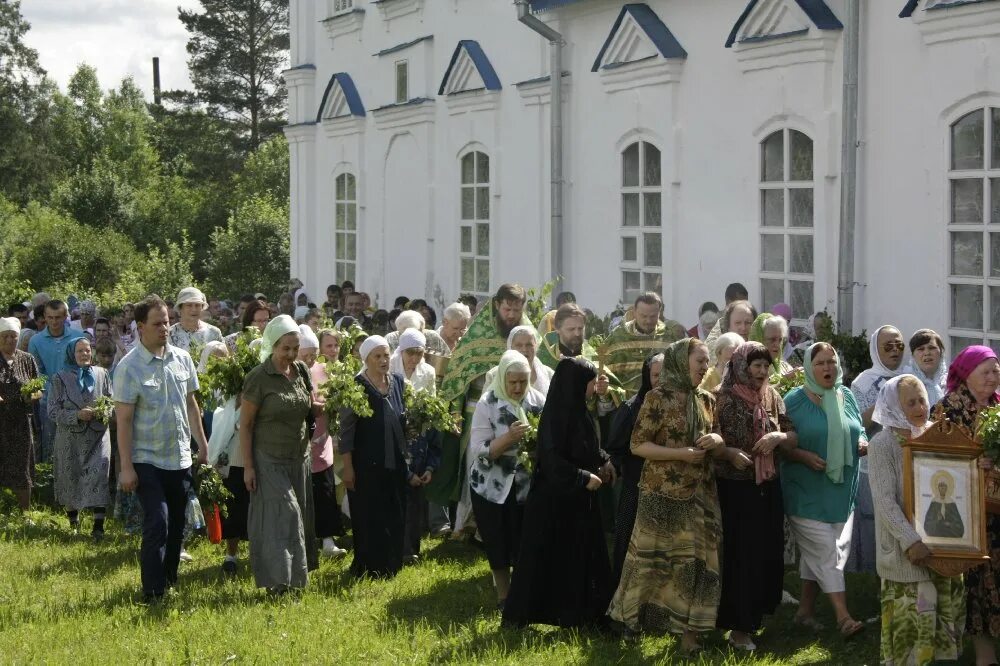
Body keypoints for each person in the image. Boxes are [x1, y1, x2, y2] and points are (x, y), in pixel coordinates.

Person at [607, 339, 724, 652]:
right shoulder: (657, 397)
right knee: (648, 564)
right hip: (661, 494)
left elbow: (715, 440)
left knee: (697, 566)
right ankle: (630, 622)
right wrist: (682, 454)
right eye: (699, 360)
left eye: (707, 361)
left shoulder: (707, 399)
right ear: (680, 361)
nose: (705, 367)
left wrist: (716, 439)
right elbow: (637, 445)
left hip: (700, 495)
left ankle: (690, 638)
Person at [503, 358, 616, 629]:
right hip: (553, 503)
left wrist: (603, 460)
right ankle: (518, 618)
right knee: (541, 561)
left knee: (578, 558)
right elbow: (552, 460)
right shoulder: (556, 416)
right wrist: (580, 477)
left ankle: (580, 616)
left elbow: (585, 446)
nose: (592, 389)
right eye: (589, 384)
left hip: (578, 502)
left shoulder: (580, 411)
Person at [114, 295, 208, 603]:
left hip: (179, 456)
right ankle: (152, 591)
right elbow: (124, 420)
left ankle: (168, 580)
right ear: (141, 327)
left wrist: (202, 444)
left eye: (167, 321)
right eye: (157, 324)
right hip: (146, 459)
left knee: (178, 524)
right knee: (158, 521)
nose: (165, 328)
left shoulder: (181, 358)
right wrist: (126, 467)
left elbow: (192, 405)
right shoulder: (129, 367)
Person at [869, 374, 965, 666]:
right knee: (910, 640)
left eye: (922, 399)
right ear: (894, 406)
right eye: (910, 402)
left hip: (944, 551)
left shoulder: (937, 436)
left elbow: (959, 483)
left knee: (943, 642)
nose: (919, 406)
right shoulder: (882, 445)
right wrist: (910, 540)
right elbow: (885, 501)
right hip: (906, 556)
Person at [712, 342, 799, 651]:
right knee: (742, 557)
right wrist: (730, 453)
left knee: (766, 554)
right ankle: (738, 628)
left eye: (765, 366)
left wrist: (778, 437)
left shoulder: (773, 397)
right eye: (756, 365)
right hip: (736, 488)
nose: (762, 372)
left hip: (767, 485)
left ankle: (755, 618)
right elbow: (711, 440)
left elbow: (791, 435)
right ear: (741, 366)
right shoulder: (724, 399)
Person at [427, 284, 530, 534]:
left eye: (517, 310)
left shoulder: (524, 334)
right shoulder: (476, 336)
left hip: (518, 413)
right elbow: (457, 378)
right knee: (479, 464)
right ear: (497, 305)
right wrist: (455, 412)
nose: (512, 315)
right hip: (477, 413)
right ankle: (470, 523)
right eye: (507, 309)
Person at [781, 342, 866, 638]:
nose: (828, 368)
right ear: (808, 367)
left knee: (819, 555)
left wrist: (862, 442)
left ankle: (804, 612)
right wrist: (802, 456)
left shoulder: (846, 396)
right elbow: (778, 440)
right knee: (827, 551)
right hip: (804, 490)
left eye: (832, 362)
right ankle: (844, 618)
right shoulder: (793, 400)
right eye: (820, 363)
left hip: (841, 490)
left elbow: (859, 429)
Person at [240, 315, 319, 593]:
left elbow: (310, 406)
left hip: (298, 456)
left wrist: (330, 404)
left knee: (299, 517)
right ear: (272, 345)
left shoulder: (301, 371)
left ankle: (294, 581)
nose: (291, 354)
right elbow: (246, 425)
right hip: (268, 457)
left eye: (295, 348)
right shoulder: (258, 379)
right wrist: (248, 467)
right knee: (285, 514)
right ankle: (280, 581)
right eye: (285, 348)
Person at [932, 345, 1000, 666]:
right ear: (966, 373)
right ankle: (984, 654)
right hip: (969, 511)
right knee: (978, 580)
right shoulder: (948, 409)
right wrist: (974, 461)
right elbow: (934, 460)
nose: (993, 376)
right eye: (986, 370)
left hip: (998, 508)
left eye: (996, 370)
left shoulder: (999, 406)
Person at [469, 350, 546, 608]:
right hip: (492, 485)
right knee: (497, 539)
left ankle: (525, 593)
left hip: (526, 485)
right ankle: (504, 595)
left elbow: (549, 442)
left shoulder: (537, 401)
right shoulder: (488, 403)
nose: (517, 387)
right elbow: (479, 451)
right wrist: (508, 439)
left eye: (522, 381)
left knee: (525, 540)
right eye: (512, 382)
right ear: (502, 378)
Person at [339, 336, 408, 578]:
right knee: (369, 513)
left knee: (394, 510)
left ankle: (392, 563)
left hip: (395, 460)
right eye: (377, 356)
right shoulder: (356, 386)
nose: (383, 360)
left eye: (386, 355)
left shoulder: (398, 382)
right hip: (365, 463)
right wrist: (348, 467)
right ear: (366, 359)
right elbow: (345, 432)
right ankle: (368, 566)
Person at [848, 325, 905, 576]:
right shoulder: (863, 382)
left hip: (905, 462)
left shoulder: (909, 378)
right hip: (872, 462)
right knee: (874, 520)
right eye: (888, 346)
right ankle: (873, 576)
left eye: (899, 346)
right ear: (876, 349)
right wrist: (883, 400)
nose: (895, 351)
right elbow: (856, 422)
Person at [606, 352, 662, 585]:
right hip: (635, 487)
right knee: (629, 541)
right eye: (657, 375)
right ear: (647, 376)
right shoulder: (631, 408)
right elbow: (616, 448)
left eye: (667, 374)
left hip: (667, 490)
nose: (662, 380)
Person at [50, 338, 113, 539]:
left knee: (99, 476)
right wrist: (76, 415)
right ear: (71, 354)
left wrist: (102, 411)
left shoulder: (102, 374)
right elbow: (52, 411)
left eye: (87, 350)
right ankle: (74, 524)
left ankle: (98, 526)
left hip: (98, 435)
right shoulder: (60, 378)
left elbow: (112, 402)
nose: (84, 354)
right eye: (79, 351)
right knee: (71, 476)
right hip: (70, 438)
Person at [298, 325, 347, 559]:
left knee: (325, 492)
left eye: (311, 355)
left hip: (321, 442)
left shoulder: (322, 369)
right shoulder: (290, 372)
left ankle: (328, 541)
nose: (309, 360)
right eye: (304, 355)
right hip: (296, 446)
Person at [29, 299, 85, 462]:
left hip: (75, 400)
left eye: (58, 317)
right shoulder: (36, 341)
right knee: (50, 443)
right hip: (48, 400)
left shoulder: (78, 337)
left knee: (76, 445)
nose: (54, 321)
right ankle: (49, 483)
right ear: (44, 317)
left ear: (66, 316)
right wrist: (53, 389)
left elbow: (84, 366)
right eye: (50, 317)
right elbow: (37, 371)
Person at [603, 292, 686, 398]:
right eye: (643, 316)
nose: (648, 321)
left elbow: (680, 374)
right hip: (625, 405)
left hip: (662, 404)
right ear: (634, 313)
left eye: (653, 316)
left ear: (659, 313)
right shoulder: (617, 337)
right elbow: (604, 373)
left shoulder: (669, 337)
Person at [0, 317, 40, 510]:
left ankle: (25, 511)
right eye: (5, 336)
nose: (9, 340)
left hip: (22, 421)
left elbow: (39, 388)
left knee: (23, 464)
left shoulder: (27, 359)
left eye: (13, 336)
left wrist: (31, 396)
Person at [484, 325, 554, 396]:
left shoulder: (550, 375)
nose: (524, 349)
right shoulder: (494, 375)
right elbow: (485, 404)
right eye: (519, 345)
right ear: (510, 347)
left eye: (529, 345)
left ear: (536, 347)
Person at [903, 329, 948, 406]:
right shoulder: (904, 385)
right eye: (920, 349)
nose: (927, 353)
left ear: (941, 352)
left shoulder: (950, 383)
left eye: (932, 348)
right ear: (913, 355)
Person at [385, 310, 450, 357]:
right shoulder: (390, 339)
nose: (412, 337)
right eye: (407, 333)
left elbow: (448, 358)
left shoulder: (432, 336)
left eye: (416, 332)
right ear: (399, 330)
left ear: (422, 328)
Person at [748, 313, 795, 378]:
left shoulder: (785, 367)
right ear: (759, 340)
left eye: (780, 340)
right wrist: (784, 381)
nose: (777, 345)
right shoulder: (747, 370)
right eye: (772, 339)